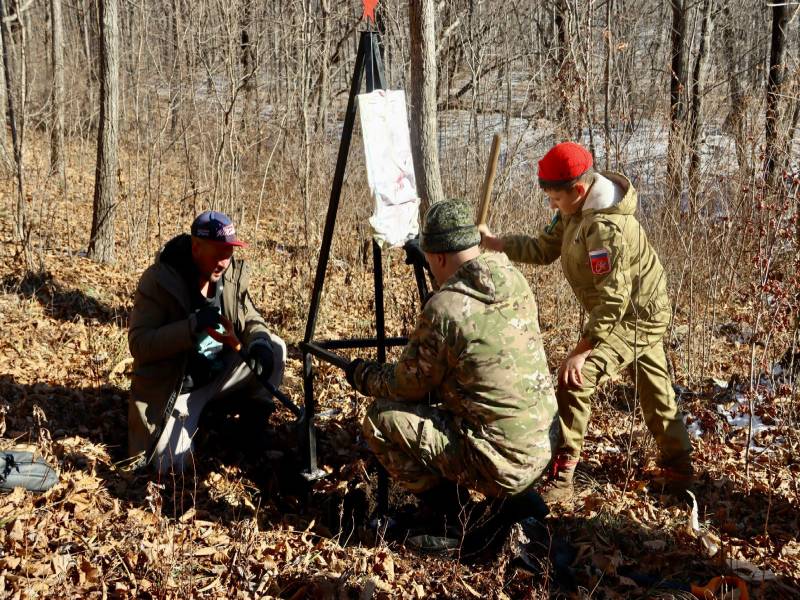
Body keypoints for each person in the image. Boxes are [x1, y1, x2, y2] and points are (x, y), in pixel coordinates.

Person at [480, 141, 694, 502]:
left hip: (637, 316)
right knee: (654, 388)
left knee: (575, 378)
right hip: (629, 310)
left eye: (555, 197)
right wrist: (497, 243)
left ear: (579, 190)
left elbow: (613, 302)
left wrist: (581, 351)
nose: (551, 204)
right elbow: (544, 249)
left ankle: (563, 477)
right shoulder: (573, 210)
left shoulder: (606, 231)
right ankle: (680, 467)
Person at [344, 199, 559, 529]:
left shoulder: (446, 309)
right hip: (542, 445)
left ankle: (453, 518)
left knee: (379, 419)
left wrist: (362, 374)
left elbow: (406, 385)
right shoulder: (513, 279)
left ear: (438, 257)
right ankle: (515, 498)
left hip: (500, 461)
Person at [127, 210, 286, 473]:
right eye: (218, 252)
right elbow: (140, 344)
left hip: (220, 372)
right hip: (178, 387)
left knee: (275, 347)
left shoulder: (230, 275)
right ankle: (200, 419)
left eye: (229, 252)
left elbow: (251, 317)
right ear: (196, 246)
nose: (224, 261)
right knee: (168, 466)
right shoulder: (160, 280)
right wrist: (191, 327)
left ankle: (251, 431)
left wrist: (258, 343)